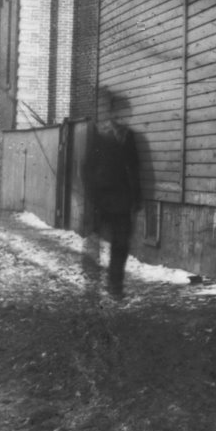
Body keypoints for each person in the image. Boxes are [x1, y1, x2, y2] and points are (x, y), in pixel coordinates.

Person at [82, 86, 142, 300]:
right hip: (101, 198)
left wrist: (137, 198)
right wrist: (92, 197)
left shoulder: (129, 137)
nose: (122, 116)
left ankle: (115, 287)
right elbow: (87, 168)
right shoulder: (98, 136)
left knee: (121, 245)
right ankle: (91, 285)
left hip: (123, 200)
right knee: (93, 241)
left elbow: (135, 169)